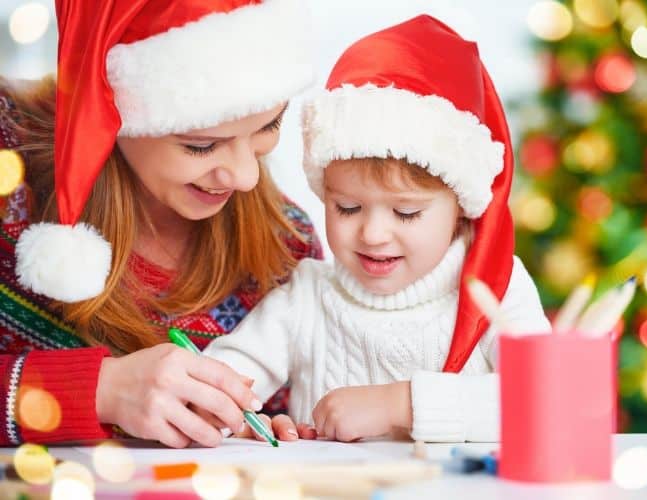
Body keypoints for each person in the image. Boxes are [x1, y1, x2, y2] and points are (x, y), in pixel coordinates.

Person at [203, 15, 551, 443]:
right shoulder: (307, 296)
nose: (372, 234)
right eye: (347, 207)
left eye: (405, 214)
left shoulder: (494, 289)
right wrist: (227, 413)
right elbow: (220, 383)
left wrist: (401, 405)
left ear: (461, 209)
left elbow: (547, 399)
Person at [0, 0, 323, 448]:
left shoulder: (287, 242)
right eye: (201, 145)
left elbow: (273, 414)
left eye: (270, 125)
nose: (247, 178)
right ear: (110, 101)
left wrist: (252, 420)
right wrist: (99, 391)